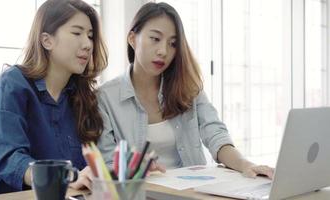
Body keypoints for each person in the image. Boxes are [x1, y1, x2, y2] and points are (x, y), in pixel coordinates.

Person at [97, 2, 274, 178]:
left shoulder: (188, 87)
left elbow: (216, 135)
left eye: (173, 44)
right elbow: (107, 162)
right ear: (132, 39)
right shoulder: (105, 97)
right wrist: (134, 167)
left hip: (191, 192)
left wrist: (246, 165)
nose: (163, 51)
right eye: (155, 39)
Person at [0, 0, 107, 196]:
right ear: (47, 40)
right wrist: (68, 176)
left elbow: (85, 164)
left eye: (90, 36)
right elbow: (10, 160)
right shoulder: (11, 84)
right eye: (77, 33)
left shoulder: (80, 96)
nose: (88, 44)